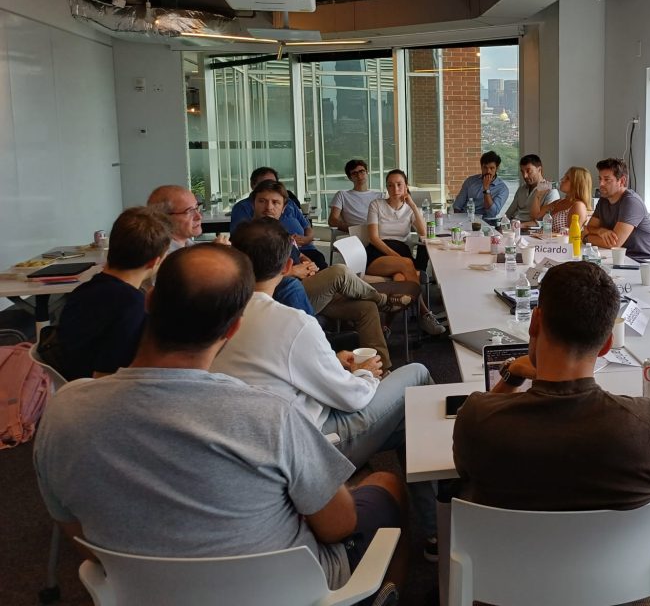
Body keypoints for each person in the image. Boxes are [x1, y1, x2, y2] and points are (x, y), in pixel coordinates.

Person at [34, 244, 408, 595]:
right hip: (284, 591)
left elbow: (76, 531)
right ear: (232, 329)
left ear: (149, 300)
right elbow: (338, 526)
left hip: (141, 593)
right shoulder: (270, 415)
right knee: (385, 484)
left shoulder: (64, 412)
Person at [210, 220, 437, 557]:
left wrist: (335, 364)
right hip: (310, 446)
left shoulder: (217, 316)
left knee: (407, 420)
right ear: (287, 267)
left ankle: (433, 530)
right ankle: (443, 514)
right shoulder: (291, 322)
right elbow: (352, 397)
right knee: (416, 376)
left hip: (249, 442)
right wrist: (366, 374)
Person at [453, 261, 650, 538]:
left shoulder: (477, 418)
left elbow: (466, 473)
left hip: (508, 563)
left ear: (535, 322)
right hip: (619, 566)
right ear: (607, 344)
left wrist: (511, 377)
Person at [246, 187, 412, 370]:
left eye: (275, 202)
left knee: (367, 308)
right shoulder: (248, 236)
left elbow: (295, 254)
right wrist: (292, 271)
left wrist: (305, 261)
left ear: (283, 207)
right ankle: (383, 301)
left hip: (308, 290)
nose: (269, 207)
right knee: (339, 272)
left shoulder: (280, 231)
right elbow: (250, 276)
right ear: (253, 204)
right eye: (262, 201)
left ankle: (381, 369)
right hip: (285, 296)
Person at [47, 207, 171, 380]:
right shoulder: (132, 304)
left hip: (71, 384)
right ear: (155, 262)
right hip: (98, 390)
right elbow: (106, 376)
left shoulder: (82, 291)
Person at [365, 169, 446, 336]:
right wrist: (397, 257)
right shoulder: (376, 205)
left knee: (400, 280)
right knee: (407, 264)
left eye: (399, 184)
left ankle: (385, 326)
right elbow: (374, 238)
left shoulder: (410, 209)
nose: (395, 189)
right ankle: (424, 313)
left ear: (406, 186)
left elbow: (423, 233)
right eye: (390, 185)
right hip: (378, 253)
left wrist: (413, 205)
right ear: (386, 187)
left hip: (401, 252)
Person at [584, 158, 650, 260]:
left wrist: (585, 238)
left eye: (607, 180)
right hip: (615, 256)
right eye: (600, 179)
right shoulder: (604, 199)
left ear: (622, 181)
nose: (601, 184)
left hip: (641, 261)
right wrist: (600, 231)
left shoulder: (631, 201)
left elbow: (614, 244)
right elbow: (589, 228)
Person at [530, 166, 592, 233]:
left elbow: (571, 235)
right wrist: (537, 196)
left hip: (555, 240)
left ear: (577, 184)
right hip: (545, 238)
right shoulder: (559, 202)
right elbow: (536, 216)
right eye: (564, 176)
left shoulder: (578, 206)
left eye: (567, 178)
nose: (562, 180)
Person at [452, 150, 509, 223]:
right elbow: (457, 205)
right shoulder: (470, 181)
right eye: (485, 167)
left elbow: (492, 213)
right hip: (464, 219)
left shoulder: (502, 189)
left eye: (492, 168)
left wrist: (486, 189)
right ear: (481, 167)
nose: (488, 171)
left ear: (497, 168)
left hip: (485, 222)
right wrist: (457, 221)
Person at [328, 159, 381, 233]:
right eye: (354, 173)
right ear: (350, 178)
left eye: (361, 171)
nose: (359, 176)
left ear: (367, 172)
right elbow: (332, 220)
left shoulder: (380, 196)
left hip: (378, 232)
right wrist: (355, 230)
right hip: (354, 234)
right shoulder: (342, 195)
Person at [504, 154, 559, 222]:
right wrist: (501, 223)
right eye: (522, 172)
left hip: (529, 227)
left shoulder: (551, 191)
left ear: (539, 169)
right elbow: (508, 213)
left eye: (528, 171)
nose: (525, 176)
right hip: (513, 224)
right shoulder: (521, 188)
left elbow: (546, 220)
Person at [147, 184, 203, 251]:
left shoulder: (191, 247)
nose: (199, 217)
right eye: (190, 211)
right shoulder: (163, 255)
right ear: (163, 218)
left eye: (196, 208)